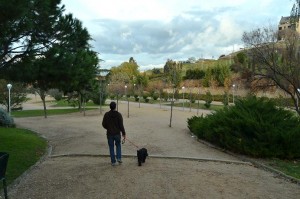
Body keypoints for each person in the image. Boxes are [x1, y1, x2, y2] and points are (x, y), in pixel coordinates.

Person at [102, 101, 126, 166]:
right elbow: (121, 125)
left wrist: (108, 128)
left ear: (110, 107)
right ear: (115, 107)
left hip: (109, 134)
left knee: (111, 147)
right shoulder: (119, 115)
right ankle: (119, 158)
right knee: (118, 145)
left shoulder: (106, 114)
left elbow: (103, 124)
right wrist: (124, 133)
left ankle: (113, 161)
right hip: (117, 134)